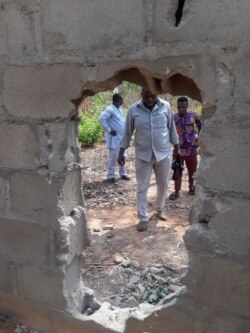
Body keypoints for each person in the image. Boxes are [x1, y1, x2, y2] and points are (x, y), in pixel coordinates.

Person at [118, 88, 180, 232]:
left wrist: (177, 148)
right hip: (143, 155)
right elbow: (127, 132)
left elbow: (171, 128)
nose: (150, 99)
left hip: (163, 153)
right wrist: (121, 152)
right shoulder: (134, 110)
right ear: (141, 95)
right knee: (142, 186)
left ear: (157, 95)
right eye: (147, 97)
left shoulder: (166, 106)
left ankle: (159, 208)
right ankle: (143, 218)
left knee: (163, 184)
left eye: (153, 96)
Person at [169, 96, 202, 200]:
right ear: (177, 106)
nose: (181, 109)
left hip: (191, 149)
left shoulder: (193, 116)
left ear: (187, 106)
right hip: (178, 149)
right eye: (179, 107)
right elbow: (168, 130)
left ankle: (191, 186)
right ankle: (177, 191)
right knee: (177, 170)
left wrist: (198, 139)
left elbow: (201, 125)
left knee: (192, 170)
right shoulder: (173, 118)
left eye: (183, 107)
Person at [99, 93, 130, 183]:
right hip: (114, 137)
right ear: (118, 100)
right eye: (121, 100)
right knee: (113, 157)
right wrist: (109, 130)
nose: (122, 101)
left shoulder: (119, 109)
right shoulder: (110, 109)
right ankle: (110, 175)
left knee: (124, 155)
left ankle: (123, 173)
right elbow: (101, 119)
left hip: (122, 137)